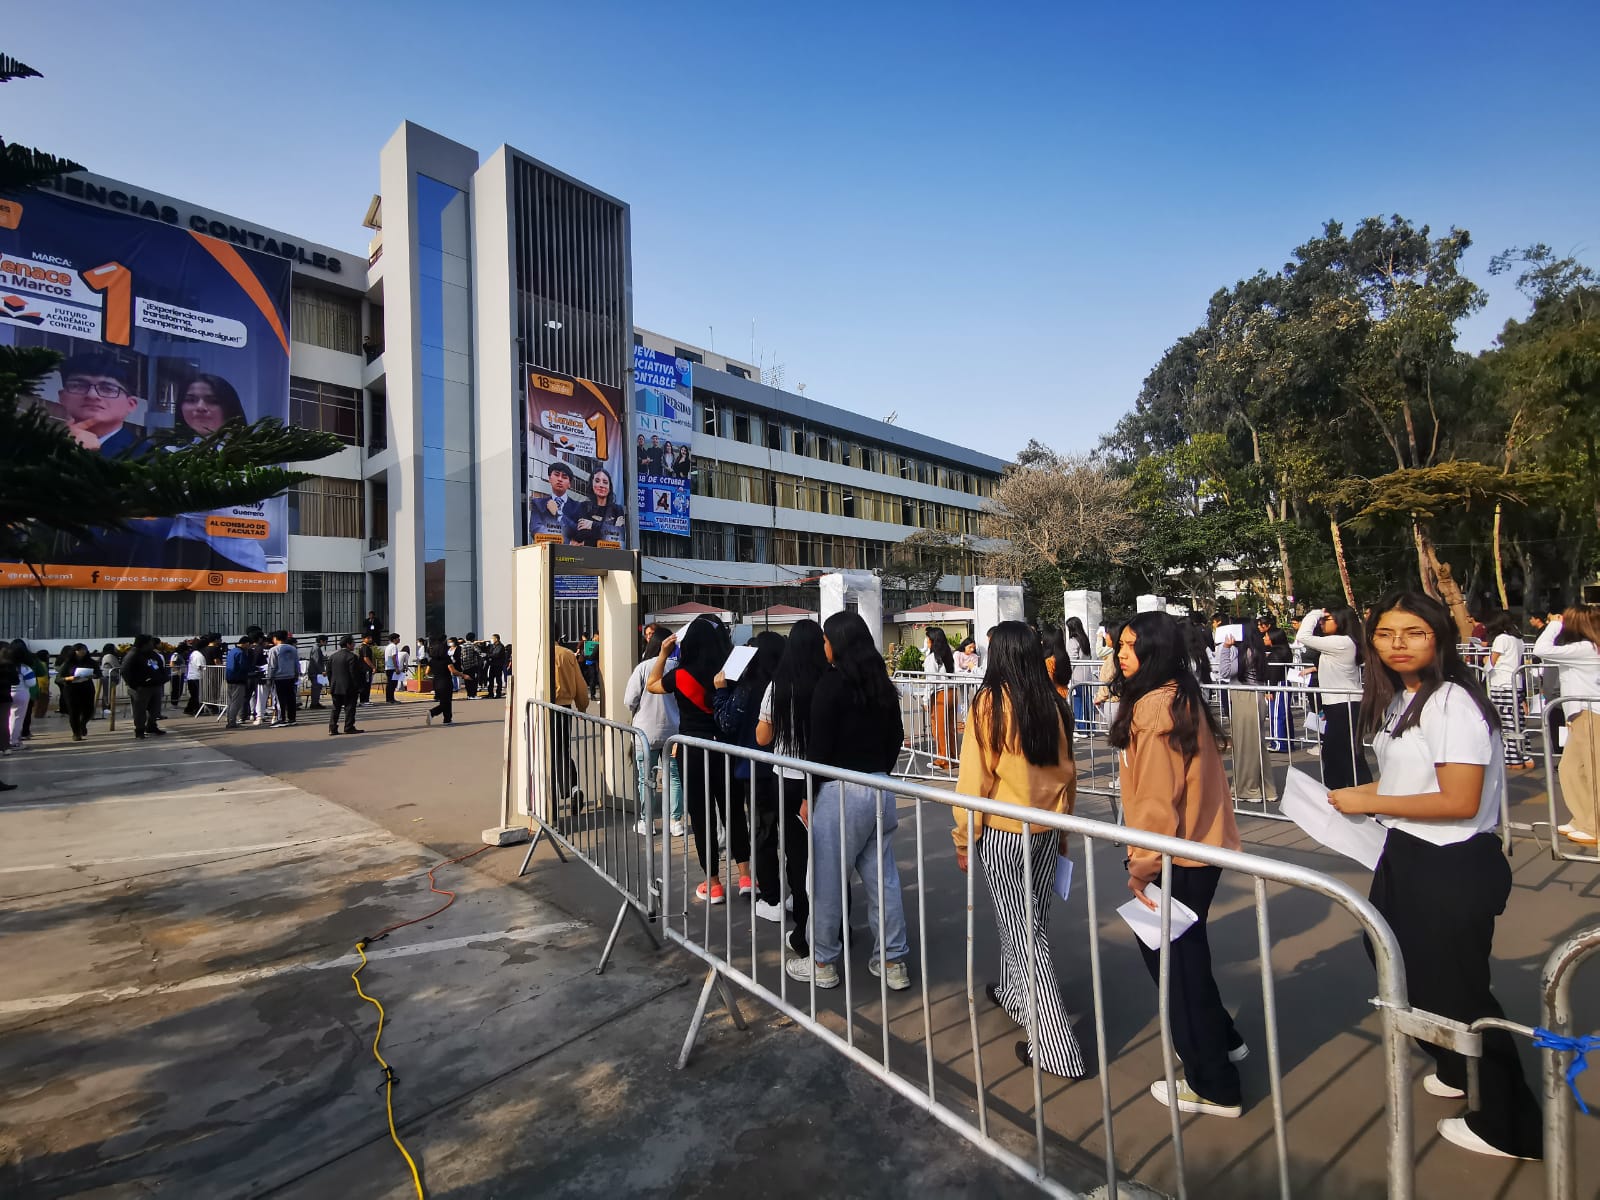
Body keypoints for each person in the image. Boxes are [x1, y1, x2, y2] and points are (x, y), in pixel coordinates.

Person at [1330, 591, 1543, 1161]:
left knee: (1458, 991)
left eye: (1413, 632)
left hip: (1449, 860)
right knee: (1391, 960)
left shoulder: (1451, 702)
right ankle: (1457, 1063)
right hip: (1409, 854)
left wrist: (1370, 802)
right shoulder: (1410, 698)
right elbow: (1411, 785)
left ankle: (1510, 1125)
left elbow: (1459, 799)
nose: (1397, 643)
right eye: (1385, 633)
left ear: (1441, 637)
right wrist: (1358, 798)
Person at [1110, 611, 1247, 1118]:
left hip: (1175, 855)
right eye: (1119, 645)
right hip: (1199, 850)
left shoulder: (1153, 707)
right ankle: (1222, 1040)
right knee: (1187, 958)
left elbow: (1155, 800)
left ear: (1156, 653)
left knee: (1173, 967)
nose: (1121, 654)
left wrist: (1141, 864)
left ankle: (1214, 1083)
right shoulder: (1180, 696)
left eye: (1130, 646)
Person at [952, 621, 1088, 1077]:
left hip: (1005, 833)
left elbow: (974, 781)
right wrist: (1063, 827)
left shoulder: (990, 704)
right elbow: (1068, 774)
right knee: (1030, 922)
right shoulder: (1053, 702)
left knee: (1025, 933)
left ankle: (1055, 1047)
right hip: (1046, 829)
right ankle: (1015, 992)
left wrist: (962, 836)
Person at [785, 611, 911, 992]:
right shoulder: (881, 684)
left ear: (837, 643)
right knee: (883, 878)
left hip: (840, 791)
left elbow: (819, 750)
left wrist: (809, 795)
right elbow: (896, 737)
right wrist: (878, 773)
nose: (824, 646)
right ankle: (892, 961)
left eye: (827, 639)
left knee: (825, 880)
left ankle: (822, 960)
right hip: (880, 788)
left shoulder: (831, 685)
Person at [648, 615, 751, 903]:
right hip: (727, 749)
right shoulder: (729, 671)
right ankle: (746, 876)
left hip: (693, 751)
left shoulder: (679, 675)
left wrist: (663, 654)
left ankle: (714, 883)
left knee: (702, 815)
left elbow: (653, 684)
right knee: (733, 811)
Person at [756, 618, 828, 945]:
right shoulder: (830, 680)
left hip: (787, 778)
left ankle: (804, 928)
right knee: (829, 853)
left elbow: (762, 736)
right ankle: (835, 925)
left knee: (796, 854)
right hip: (826, 777)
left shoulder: (778, 685)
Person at [719, 631, 786, 914]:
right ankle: (795, 892)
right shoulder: (786, 684)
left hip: (754, 770)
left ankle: (772, 896)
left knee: (762, 834)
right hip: (787, 770)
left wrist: (721, 690)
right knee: (790, 834)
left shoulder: (746, 687)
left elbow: (726, 721)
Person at [1533, 606, 1600, 845]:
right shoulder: (1584, 648)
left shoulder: (1586, 648)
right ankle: (1582, 819)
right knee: (1569, 769)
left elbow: (1541, 649)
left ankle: (1594, 825)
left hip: (1591, 715)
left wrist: (1554, 625)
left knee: (1593, 773)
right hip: (1578, 714)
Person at [1295, 607, 1372, 789]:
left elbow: (1303, 636)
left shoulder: (1342, 642)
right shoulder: (1338, 642)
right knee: (1336, 754)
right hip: (1337, 704)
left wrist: (1315, 612)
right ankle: (1340, 795)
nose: (1322, 621)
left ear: (1341, 620)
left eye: (1326, 618)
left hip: (1344, 705)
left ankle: (1360, 799)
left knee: (1348, 756)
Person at [624, 626, 684, 837]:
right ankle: (675, 821)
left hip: (645, 732)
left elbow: (629, 700)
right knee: (674, 778)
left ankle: (646, 821)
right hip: (674, 732)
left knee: (645, 779)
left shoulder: (643, 668)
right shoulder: (679, 668)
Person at [55, 353, 144, 455]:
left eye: (107, 389)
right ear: (62, 397)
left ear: (131, 405)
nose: (92, 395)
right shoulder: (41, 447)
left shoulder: (153, 457)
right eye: (79, 386)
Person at [1229, 616, 1277, 802]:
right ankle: (1265, 788)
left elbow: (1225, 671)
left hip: (1245, 696)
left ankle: (1249, 789)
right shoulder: (1256, 650)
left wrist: (1225, 650)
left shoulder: (1245, 653)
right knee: (1256, 744)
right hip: (1254, 695)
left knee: (1246, 744)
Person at [1483, 612, 1530, 770]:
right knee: (1518, 720)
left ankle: (1512, 759)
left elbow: (1492, 661)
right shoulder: (1518, 639)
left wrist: (1485, 661)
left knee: (1505, 721)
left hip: (1501, 683)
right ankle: (1525, 755)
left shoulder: (1501, 639)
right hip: (1515, 683)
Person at [551, 638, 590, 801]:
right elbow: (580, 685)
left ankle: (546, 798)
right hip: (564, 707)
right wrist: (582, 707)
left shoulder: (535, 654)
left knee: (544, 752)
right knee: (562, 751)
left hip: (540, 708)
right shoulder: (567, 654)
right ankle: (573, 788)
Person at [120, 635, 169, 738]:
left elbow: (159, 667)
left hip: (155, 685)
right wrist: (134, 684)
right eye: (150, 642)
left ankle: (151, 726)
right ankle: (139, 730)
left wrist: (163, 678)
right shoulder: (133, 655)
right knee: (140, 710)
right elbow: (125, 671)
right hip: (141, 688)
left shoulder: (152, 654)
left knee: (155, 709)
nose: (153, 644)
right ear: (144, 644)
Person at [923, 626, 958, 767]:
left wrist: (925, 699)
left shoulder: (932, 658)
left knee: (939, 728)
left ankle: (943, 759)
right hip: (951, 692)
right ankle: (952, 758)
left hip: (940, 694)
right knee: (949, 727)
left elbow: (930, 680)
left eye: (927, 638)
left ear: (932, 641)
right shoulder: (948, 655)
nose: (926, 641)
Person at [565, 467, 626, 546]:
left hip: (610, 555)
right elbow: (580, 535)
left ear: (609, 486)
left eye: (605, 482)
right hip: (587, 555)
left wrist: (592, 525)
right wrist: (608, 530)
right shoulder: (583, 507)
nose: (601, 485)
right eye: (597, 481)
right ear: (592, 484)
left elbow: (619, 535)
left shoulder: (617, 510)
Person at [58, 644, 99, 741]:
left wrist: (93, 676)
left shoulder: (91, 662)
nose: (82, 652)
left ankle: (82, 724)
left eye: (84, 650)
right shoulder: (68, 663)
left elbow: (98, 673)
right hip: (71, 689)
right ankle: (76, 733)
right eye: (80, 650)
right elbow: (59, 678)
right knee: (74, 712)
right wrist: (70, 678)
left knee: (89, 711)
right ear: (74, 651)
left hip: (87, 688)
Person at [1264, 627, 1295, 753]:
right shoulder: (1284, 651)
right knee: (1284, 715)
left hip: (1277, 686)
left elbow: (1274, 673)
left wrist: (1270, 690)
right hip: (1283, 684)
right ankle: (1288, 742)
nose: (1264, 638)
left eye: (1266, 636)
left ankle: (1278, 743)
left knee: (1277, 716)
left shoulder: (1276, 654)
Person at [326, 636, 365, 735]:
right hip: (349, 687)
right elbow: (354, 674)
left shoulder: (333, 656)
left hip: (335, 687)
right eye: (353, 643)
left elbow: (328, 672)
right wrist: (358, 687)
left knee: (336, 708)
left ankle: (332, 728)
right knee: (350, 708)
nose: (354, 645)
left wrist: (332, 683)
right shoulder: (352, 657)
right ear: (348, 644)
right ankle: (349, 727)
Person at [425, 637, 463, 727]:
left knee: (444, 701)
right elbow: (453, 671)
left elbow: (427, 672)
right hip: (446, 682)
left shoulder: (432, 661)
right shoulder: (446, 660)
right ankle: (433, 712)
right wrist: (463, 675)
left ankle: (447, 719)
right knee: (447, 702)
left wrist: (433, 674)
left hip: (436, 682)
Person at [1065, 616, 1094, 730]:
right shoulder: (1085, 640)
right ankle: (1090, 727)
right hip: (1087, 675)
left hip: (1077, 676)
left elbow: (1072, 659)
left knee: (1078, 702)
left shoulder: (1073, 641)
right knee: (1087, 702)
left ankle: (1082, 728)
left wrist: (1067, 674)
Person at [223, 635, 256, 729]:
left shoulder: (232, 651)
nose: (250, 648)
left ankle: (230, 719)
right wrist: (252, 670)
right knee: (236, 702)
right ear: (246, 644)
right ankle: (232, 722)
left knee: (230, 701)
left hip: (230, 678)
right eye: (250, 645)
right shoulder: (241, 653)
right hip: (239, 679)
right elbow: (244, 666)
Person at [267, 631, 299, 726]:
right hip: (291, 676)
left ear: (276, 638)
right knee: (291, 698)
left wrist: (270, 677)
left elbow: (272, 665)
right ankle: (292, 718)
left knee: (279, 698)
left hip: (279, 677)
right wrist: (296, 674)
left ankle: (281, 719)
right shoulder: (293, 649)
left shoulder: (274, 650)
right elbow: (296, 663)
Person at [184, 639, 207, 715]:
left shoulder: (193, 654)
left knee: (194, 695)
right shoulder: (199, 656)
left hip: (192, 676)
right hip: (196, 677)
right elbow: (201, 666)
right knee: (197, 695)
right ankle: (196, 710)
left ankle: (189, 709)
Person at [306, 635, 329, 709]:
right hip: (315, 672)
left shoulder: (316, 648)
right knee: (316, 688)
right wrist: (322, 671)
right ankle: (314, 703)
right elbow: (316, 661)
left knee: (318, 687)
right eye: (326, 641)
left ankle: (316, 702)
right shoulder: (316, 649)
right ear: (322, 641)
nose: (326, 643)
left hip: (316, 671)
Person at [457, 634, 482, 699]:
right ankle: (473, 695)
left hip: (464, 666)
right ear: (473, 638)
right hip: (473, 665)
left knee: (467, 681)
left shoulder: (461, 646)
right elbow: (479, 652)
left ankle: (469, 695)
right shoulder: (473, 645)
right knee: (474, 681)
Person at [485, 634, 508, 699]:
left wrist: (488, 655)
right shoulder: (492, 646)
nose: (491, 640)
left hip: (498, 665)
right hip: (492, 665)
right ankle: (490, 693)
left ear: (496, 639)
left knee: (498, 679)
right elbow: (488, 651)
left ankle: (498, 693)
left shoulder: (500, 646)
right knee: (490, 679)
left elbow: (496, 654)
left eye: (493, 638)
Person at [357, 634, 378, 705]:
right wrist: (373, 667)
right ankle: (364, 701)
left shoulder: (362, 647)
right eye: (368, 638)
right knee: (366, 685)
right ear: (363, 639)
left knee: (366, 684)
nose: (370, 639)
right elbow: (366, 658)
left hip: (363, 669)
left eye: (371, 637)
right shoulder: (365, 647)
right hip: (365, 669)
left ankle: (365, 700)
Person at [383, 634, 402, 704]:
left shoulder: (388, 647)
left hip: (388, 667)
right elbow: (394, 657)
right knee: (393, 684)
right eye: (398, 638)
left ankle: (389, 699)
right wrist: (396, 667)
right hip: (392, 668)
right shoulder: (394, 646)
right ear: (394, 639)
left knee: (389, 684)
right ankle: (391, 699)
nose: (399, 640)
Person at [581, 631, 601, 699]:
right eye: (595, 636)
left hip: (593, 663)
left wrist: (585, 655)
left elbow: (592, 656)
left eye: (596, 636)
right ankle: (592, 695)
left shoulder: (597, 645)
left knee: (594, 679)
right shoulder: (593, 644)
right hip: (591, 664)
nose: (595, 638)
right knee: (593, 679)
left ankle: (593, 694)